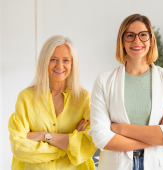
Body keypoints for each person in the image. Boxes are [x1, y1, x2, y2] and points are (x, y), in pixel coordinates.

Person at [88, 14, 163, 170]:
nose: (136, 41)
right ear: (122, 41)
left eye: (143, 35)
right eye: (130, 35)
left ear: (151, 40)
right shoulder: (103, 80)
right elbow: (101, 138)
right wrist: (157, 137)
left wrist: (120, 129)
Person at [8, 35, 97, 170]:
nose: (59, 66)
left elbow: (87, 145)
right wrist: (68, 146)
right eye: (53, 59)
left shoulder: (84, 99)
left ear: (72, 63)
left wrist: (44, 136)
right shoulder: (25, 98)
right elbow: (18, 146)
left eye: (66, 60)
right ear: (44, 62)